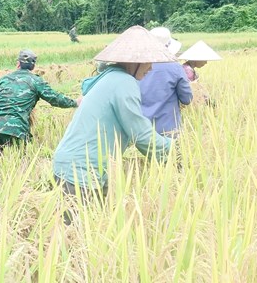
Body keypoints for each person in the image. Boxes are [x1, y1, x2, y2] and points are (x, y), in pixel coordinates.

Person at [53, 26, 175, 200]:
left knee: (94, 222)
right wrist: (173, 149)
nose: (150, 68)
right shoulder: (124, 82)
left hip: (75, 165)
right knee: (83, 224)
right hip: (81, 171)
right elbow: (140, 133)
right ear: (135, 62)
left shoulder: (110, 77)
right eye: (149, 62)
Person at [0, 49, 79, 161]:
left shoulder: (3, 80)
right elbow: (55, 99)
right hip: (16, 129)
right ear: (33, 66)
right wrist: (75, 102)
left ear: (18, 63)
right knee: (21, 164)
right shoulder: (36, 81)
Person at [139, 27, 193, 137]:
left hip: (140, 130)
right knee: (171, 154)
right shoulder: (175, 68)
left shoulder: (137, 66)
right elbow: (187, 99)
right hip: (168, 131)